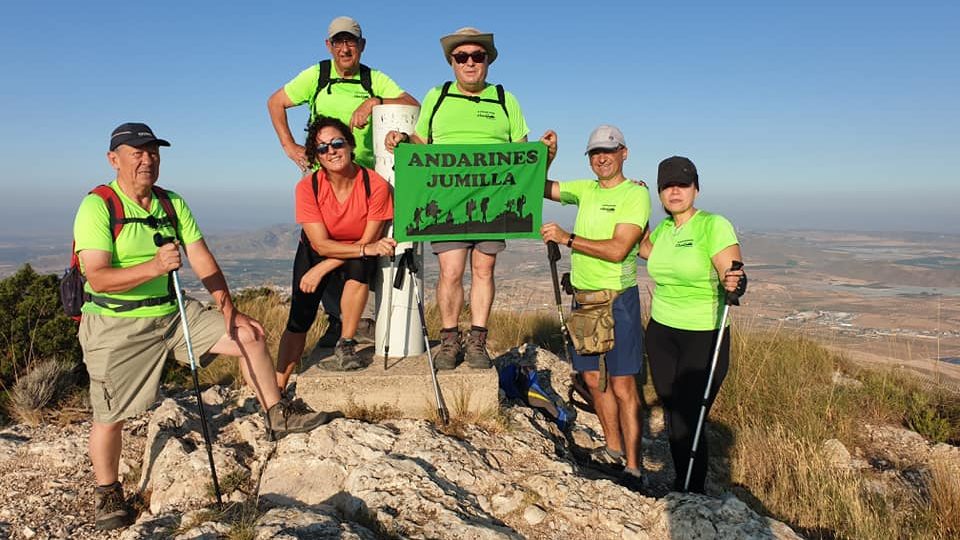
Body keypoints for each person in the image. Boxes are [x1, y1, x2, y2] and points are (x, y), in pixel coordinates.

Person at [75, 123, 334, 531]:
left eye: (153, 152)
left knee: (250, 336)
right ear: (114, 159)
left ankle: (276, 412)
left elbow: (203, 259)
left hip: (172, 313)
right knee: (110, 414)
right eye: (137, 152)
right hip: (117, 322)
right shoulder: (98, 206)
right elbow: (98, 278)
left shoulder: (171, 202)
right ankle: (108, 489)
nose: (148, 159)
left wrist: (229, 311)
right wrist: (154, 266)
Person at [385, 26, 539, 369]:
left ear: (487, 61)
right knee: (451, 271)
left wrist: (548, 153)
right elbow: (422, 145)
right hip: (448, 201)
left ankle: (478, 341)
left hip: (493, 201)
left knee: (485, 269)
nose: (470, 63)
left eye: (477, 56)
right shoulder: (436, 97)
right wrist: (402, 142)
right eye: (462, 57)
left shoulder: (504, 99)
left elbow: (522, 154)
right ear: (452, 62)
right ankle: (450, 340)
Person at [267, 15, 417, 347]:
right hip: (325, 178)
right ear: (329, 46)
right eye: (338, 42)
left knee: (364, 254)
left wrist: (375, 101)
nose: (345, 48)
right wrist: (289, 146)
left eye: (351, 41)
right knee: (323, 245)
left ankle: (355, 324)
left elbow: (411, 104)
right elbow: (276, 102)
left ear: (362, 46)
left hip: (366, 181)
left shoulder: (371, 78)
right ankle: (336, 320)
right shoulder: (317, 75)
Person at [540, 125, 650, 488]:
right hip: (585, 301)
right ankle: (613, 450)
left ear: (624, 153)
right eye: (594, 152)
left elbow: (619, 249)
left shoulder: (635, 195)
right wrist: (548, 157)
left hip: (617, 300)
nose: (601, 157)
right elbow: (539, 186)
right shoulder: (584, 190)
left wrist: (566, 238)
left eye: (609, 150)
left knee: (622, 385)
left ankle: (634, 468)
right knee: (590, 378)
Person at [638, 156, 746, 493]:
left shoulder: (713, 225)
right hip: (661, 333)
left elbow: (733, 271)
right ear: (660, 193)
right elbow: (645, 250)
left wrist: (736, 282)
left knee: (690, 416)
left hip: (703, 334)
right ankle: (681, 483)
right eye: (667, 186)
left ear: (695, 189)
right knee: (672, 412)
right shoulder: (666, 230)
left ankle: (692, 490)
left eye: (682, 184)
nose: (675, 191)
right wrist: (638, 210)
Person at [275, 116, 396, 386]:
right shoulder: (308, 187)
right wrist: (322, 261)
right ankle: (277, 386)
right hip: (318, 249)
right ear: (316, 156)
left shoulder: (375, 185)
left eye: (337, 143)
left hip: (357, 248)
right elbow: (319, 244)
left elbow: (369, 239)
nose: (331, 151)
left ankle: (346, 343)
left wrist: (323, 267)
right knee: (299, 317)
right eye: (322, 148)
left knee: (359, 269)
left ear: (350, 145)